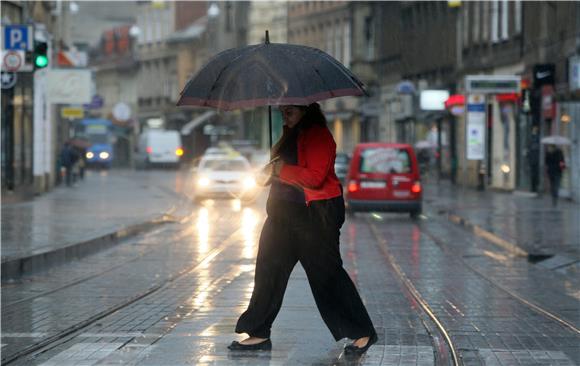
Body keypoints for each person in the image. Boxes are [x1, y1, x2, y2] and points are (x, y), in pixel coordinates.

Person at [228, 103, 377, 355]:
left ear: (306, 110)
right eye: (282, 111)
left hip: (314, 216)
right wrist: (268, 173)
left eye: (291, 111)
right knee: (268, 271)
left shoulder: (318, 135)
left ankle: (363, 332)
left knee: (326, 276)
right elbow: (284, 173)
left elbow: (315, 177)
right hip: (282, 214)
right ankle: (258, 332)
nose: (285, 115)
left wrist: (280, 169)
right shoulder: (289, 135)